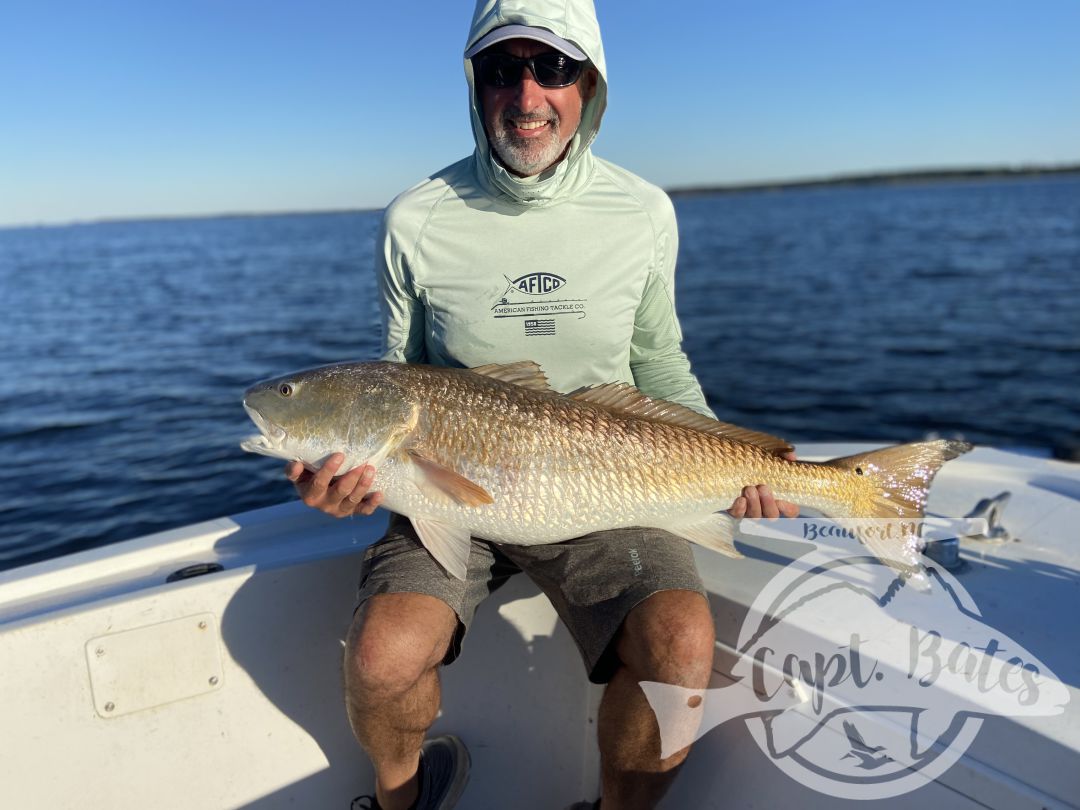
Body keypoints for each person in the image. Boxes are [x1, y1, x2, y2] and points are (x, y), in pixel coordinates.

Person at [287, 1, 796, 808]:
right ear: (474, 84)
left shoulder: (643, 211)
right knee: (381, 658)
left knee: (681, 644)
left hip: (605, 480)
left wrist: (738, 459)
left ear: (590, 84)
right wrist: (350, 479)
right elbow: (395, 376)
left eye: (552, 67)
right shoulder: (414, 220)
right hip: (447, 483)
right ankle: (399, 800)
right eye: (501, 69)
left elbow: (659, 360)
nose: (527, 95)